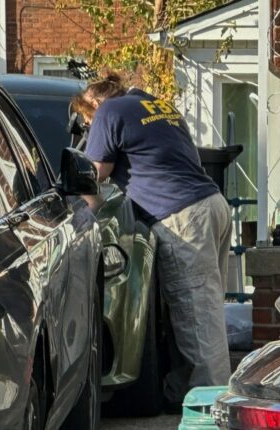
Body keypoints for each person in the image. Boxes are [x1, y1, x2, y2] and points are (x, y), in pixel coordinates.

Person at [78, 74, 233, 404]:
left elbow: (93, 177)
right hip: (211, 204)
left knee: (197, 319)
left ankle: (212, 407)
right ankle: (184, 392)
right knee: (204, 310)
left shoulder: (109, 112)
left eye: (87, 121)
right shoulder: (155, 104)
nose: (90, 127)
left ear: (94, 104)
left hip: (181, 218)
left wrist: (77, 215)